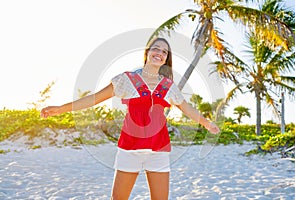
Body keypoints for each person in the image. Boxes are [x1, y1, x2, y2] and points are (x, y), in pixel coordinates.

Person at [41, 37, 220, 200]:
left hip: (159, 151)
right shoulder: (126, 79)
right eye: (156, 49)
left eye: (164, 52)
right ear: (147, 53)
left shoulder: (168, 85)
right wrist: (60, 109)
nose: (160, 53)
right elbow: (94, 98)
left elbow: (187, 108)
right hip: (129, 149)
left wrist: (207, 123)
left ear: (166, 59)